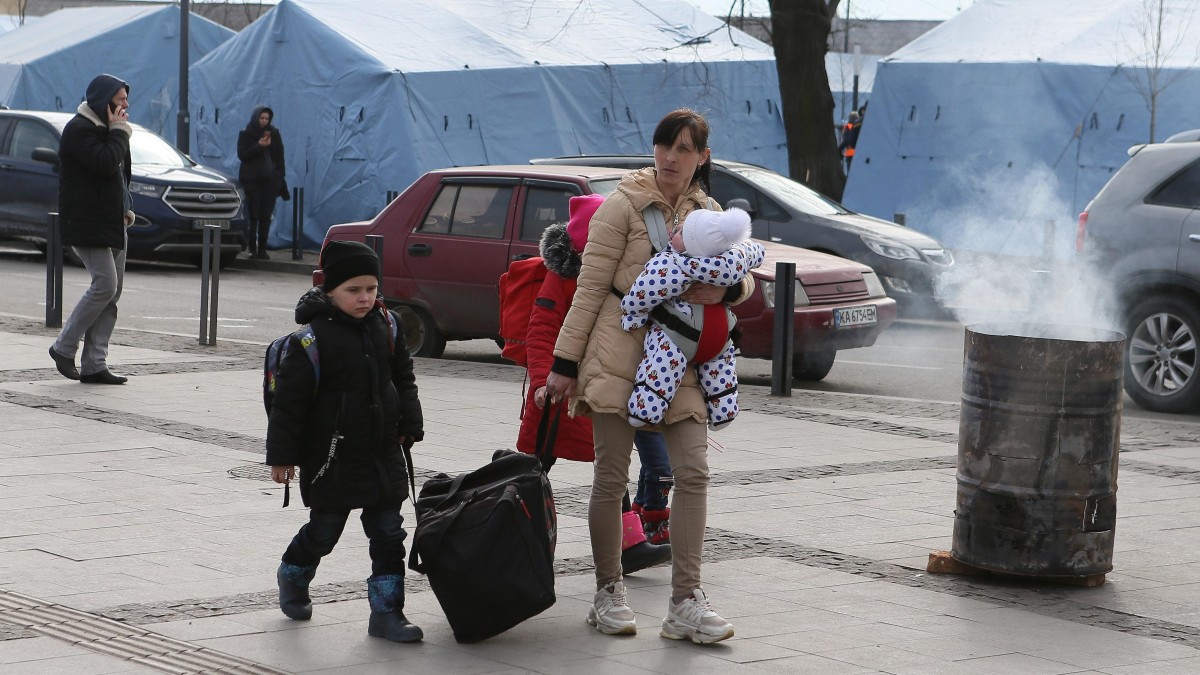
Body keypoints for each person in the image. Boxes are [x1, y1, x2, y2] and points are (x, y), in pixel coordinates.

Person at [544, 108, 749, 644]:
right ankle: (608, 591)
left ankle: (685, 601)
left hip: (679, 357)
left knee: (695, 472)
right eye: (664, 146)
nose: (671, 157)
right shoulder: (623, 206)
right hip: (619, 349)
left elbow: (742, 276)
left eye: (684, 149)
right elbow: (589, 287)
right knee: (611, 477)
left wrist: (728, 293)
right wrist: (564, 366)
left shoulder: (709, 210)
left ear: (702, 156)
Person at [266, 240, 424, 644]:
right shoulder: (311, 341)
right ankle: (293, 576)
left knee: (389, 534)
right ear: (330, 290)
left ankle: (387, 613)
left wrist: (410, 421)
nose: (365, 297)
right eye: (354, 290)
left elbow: (402, 378)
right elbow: (289, 405)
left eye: (371, 288)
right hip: (330, 458)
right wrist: (282, 457)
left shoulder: (387, 325)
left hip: (382, 451)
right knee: (325, 530)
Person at [515, 194, 674, 573]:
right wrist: (541, 382)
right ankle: (509, 534)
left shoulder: (620, 273)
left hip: (596, 389)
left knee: (610, 463)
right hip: (553, 394)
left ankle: (629, 543)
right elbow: (541, 330)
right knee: (532, 469)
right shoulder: (563, 276)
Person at [621, 207, 764, 431]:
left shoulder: (675, 265)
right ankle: (724, 411)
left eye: (679, 234)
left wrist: (632, 314)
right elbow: (757, 250)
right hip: (719, 339)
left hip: (679, 337)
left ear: (692, 246)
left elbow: (645, 291)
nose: (672, 233)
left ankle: (645, 410)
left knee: (662, 367)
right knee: (722, 372)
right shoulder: (734, 258)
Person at [47, 73, 134, 386]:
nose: (126, 104)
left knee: (113, 293)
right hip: (87, 222)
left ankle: (95, 363)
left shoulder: (110, 130)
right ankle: (63, 347)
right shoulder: (80, 129)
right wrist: (120, 133)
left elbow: (121, 175)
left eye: (126, 98)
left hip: (114, 220)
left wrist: (126, 208)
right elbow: (105, 163)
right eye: (121, 99)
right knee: (104, 285)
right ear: (104, 100)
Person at [237, 106, 286, 259]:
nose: (264, 121)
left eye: (266, 119)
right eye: (261, 118)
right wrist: (258, 146)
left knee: (266, 215)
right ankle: (252, 247)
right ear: (256, 118)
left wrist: (279, 177)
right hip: (252, 181)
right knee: (253, 214)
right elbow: (242, 155)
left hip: (270, 181)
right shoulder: (246, 134)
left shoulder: (274, 134)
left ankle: (263, 249)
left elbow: (280, 157)